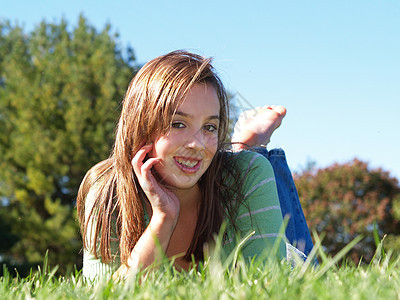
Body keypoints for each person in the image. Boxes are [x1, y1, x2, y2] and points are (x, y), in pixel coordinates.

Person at [77, 50, 311, 282]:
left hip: (290, 260)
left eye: (209, 127)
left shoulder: (247, 174)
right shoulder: (107, 193)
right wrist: (163, 218)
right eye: (178, 124)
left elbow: (269, 284)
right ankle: (245, 144)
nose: (197, 144)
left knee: (255, 167)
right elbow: (103, 293)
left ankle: (248, 146)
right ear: (141, 126)